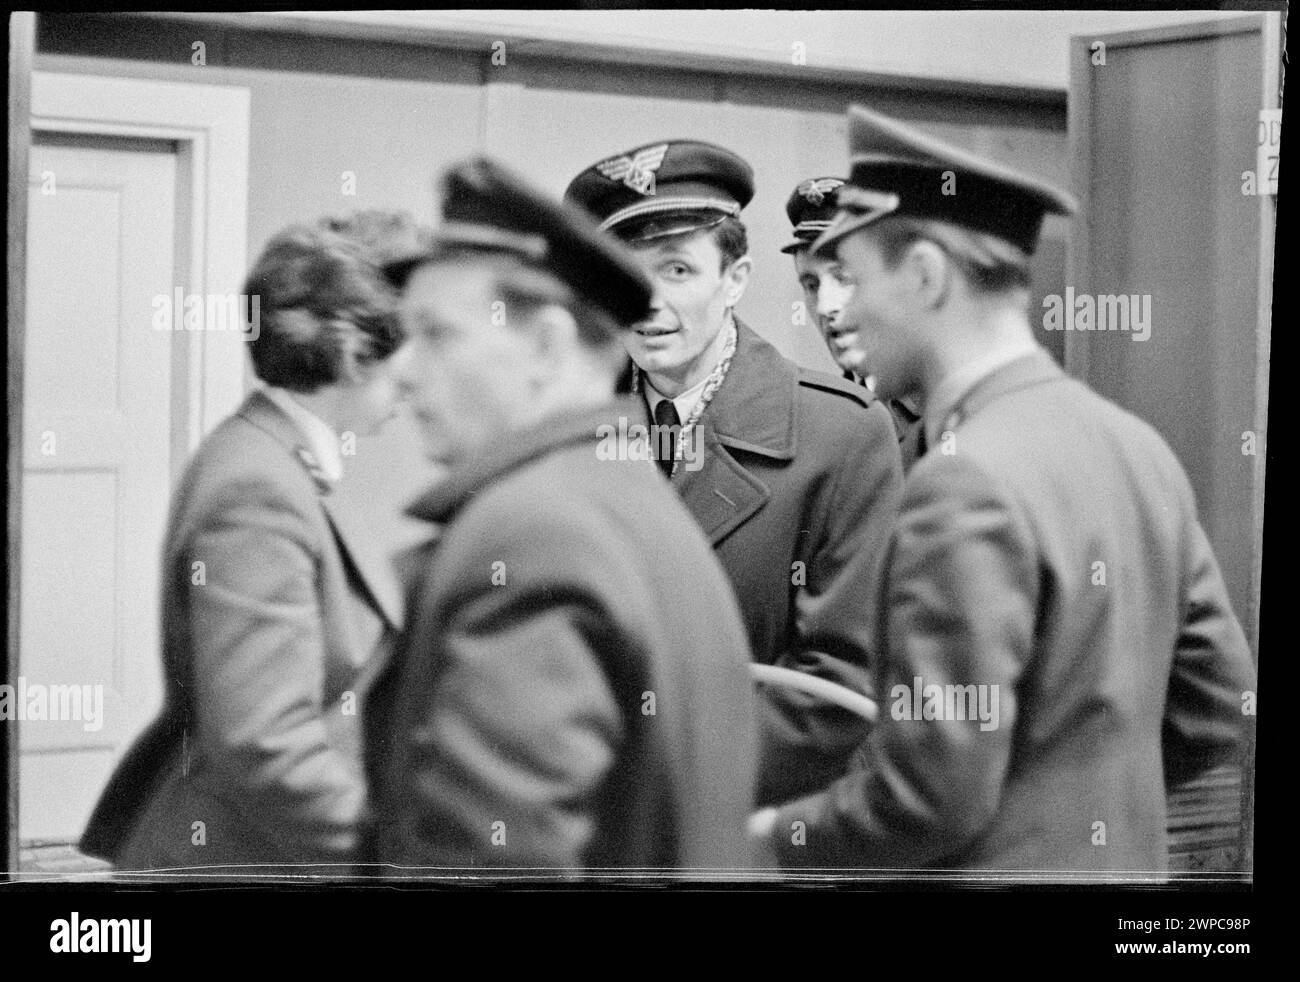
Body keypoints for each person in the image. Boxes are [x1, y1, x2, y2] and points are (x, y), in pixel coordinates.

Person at [754, 105, 1257, 874]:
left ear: (925, 273)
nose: (838, 309)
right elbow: (1217, 704)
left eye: (851, 278)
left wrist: (766, 841)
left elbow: (929, 800)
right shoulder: (1135, 445)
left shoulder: (962, 478)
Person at [362, 156, 758, 873]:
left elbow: (498, 857)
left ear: (546, 345)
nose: (404, 371)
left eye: (438, 335)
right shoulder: (623, 492)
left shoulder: (532, 530)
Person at [79, 212, 421, 873]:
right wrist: (399, 855)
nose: (423, 374)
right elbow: (265, 747)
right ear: (352, 351)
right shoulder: (258, 489)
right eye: (417, 340)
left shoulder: (280, 457)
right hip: (239, 853)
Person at [565, 141, 903, 806]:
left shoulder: (839, 434)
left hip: (739, 827)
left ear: (736, 278)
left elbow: (834, 689)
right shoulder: (570, 424)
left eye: (678, 270)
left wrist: (656, 782)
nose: (648, 304)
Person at [782, 176, 925, 471]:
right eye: (811, 284)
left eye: (844, 278)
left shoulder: (944, 413)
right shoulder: (823, 417)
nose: (824, 306)